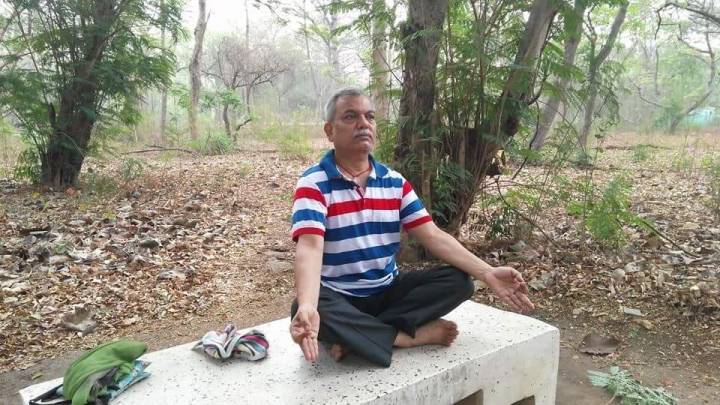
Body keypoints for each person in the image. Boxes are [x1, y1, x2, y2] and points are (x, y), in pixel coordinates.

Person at [289, 88, 534, 367]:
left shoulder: (394, 182)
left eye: (370, 117)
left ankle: (361, 336)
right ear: (330, 131)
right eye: (350, 116)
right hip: (340, 296)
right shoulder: (314, 183)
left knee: (459, 281)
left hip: (387, 292)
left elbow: (432, 235)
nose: (364, 124)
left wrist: (488, 272)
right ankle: (404, 337)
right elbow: (310, 247)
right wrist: (307, 305)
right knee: (304, 307)